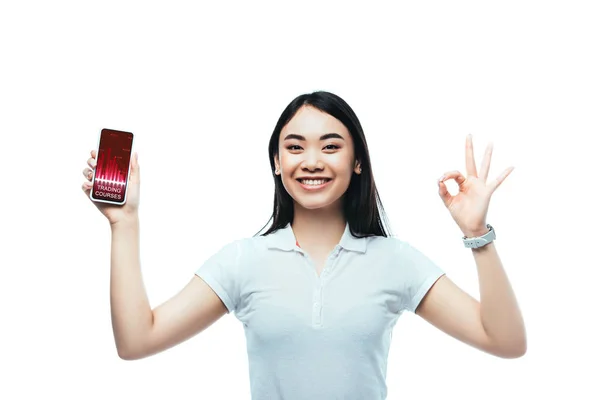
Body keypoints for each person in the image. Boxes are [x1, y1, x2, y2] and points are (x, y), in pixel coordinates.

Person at [81, 91, 526, 399]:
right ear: (277, 162)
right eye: (295, 147)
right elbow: (137, 340)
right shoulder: (243, 261)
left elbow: (505, 342)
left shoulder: (395, 262)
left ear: (356, 163)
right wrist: (125, 224)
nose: (311, 161)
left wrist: (477, 235)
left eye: (330, 146)